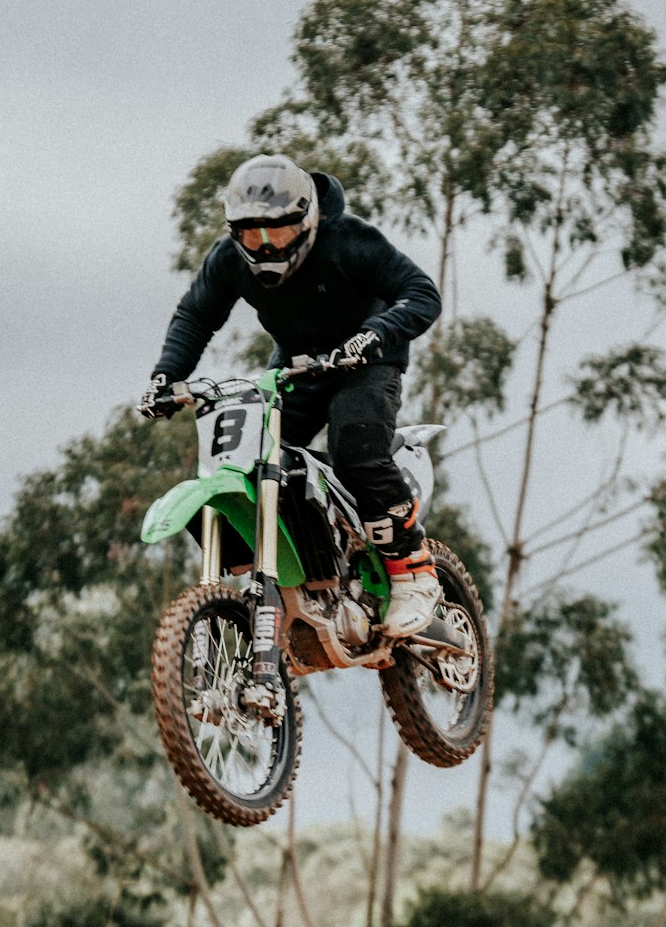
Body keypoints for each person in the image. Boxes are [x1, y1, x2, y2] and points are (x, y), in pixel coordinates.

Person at [139, 153, 443, 638]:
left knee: (357, 452)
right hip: (297, 365)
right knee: (248, 462)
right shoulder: (227, 260)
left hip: (366, 361)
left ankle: (412, 570)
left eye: (276, 233)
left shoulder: (349, 241)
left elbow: (421, 292)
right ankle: (286, 583)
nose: (263, 246)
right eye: (250, 235)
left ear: (307, 220)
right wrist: (165, 376)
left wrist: (375, 333)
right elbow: (196, 316)